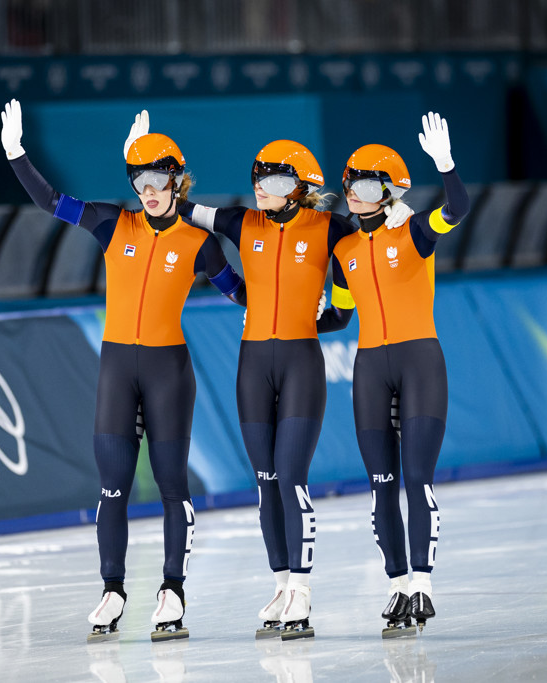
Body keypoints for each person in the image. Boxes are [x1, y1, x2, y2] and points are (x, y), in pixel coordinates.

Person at [126, 115, 412, 639]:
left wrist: (396, 217)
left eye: (277, 182)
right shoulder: (239, 223)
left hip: (301, 362)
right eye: (259, 178)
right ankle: (281, 584)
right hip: (252, 364)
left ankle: (302, 589)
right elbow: (176, 207)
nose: (263, 190)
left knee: (291, 475)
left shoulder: (331, 229)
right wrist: (145, 167)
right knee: (265, 482)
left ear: (302, 189)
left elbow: (349, 299)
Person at [0, 100, 246, 642]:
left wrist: (303, 306)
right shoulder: (111, 222)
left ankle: (172, 591)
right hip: (116, 369)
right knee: (112, 488)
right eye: (138, 177)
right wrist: (16, 154)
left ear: (178, 182)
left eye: (158, 177)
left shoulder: (202, 245)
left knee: (171, 487)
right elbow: (51, 201)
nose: (148, 189)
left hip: (167, 372)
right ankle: (112, 591)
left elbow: (244, 296)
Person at [318, 112, 470, 637]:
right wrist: (286, 316)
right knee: (382, 486)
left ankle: (423, 584)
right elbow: (338, 317)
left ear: (387, 191)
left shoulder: (417, 232)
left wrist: (446, 166)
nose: (353, 194)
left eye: (363, 185)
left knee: (415, 478)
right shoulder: (343, 252)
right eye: (349, 185)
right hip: (369, 370)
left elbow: (458, 208)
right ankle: (397, 585)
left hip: (419, 362)